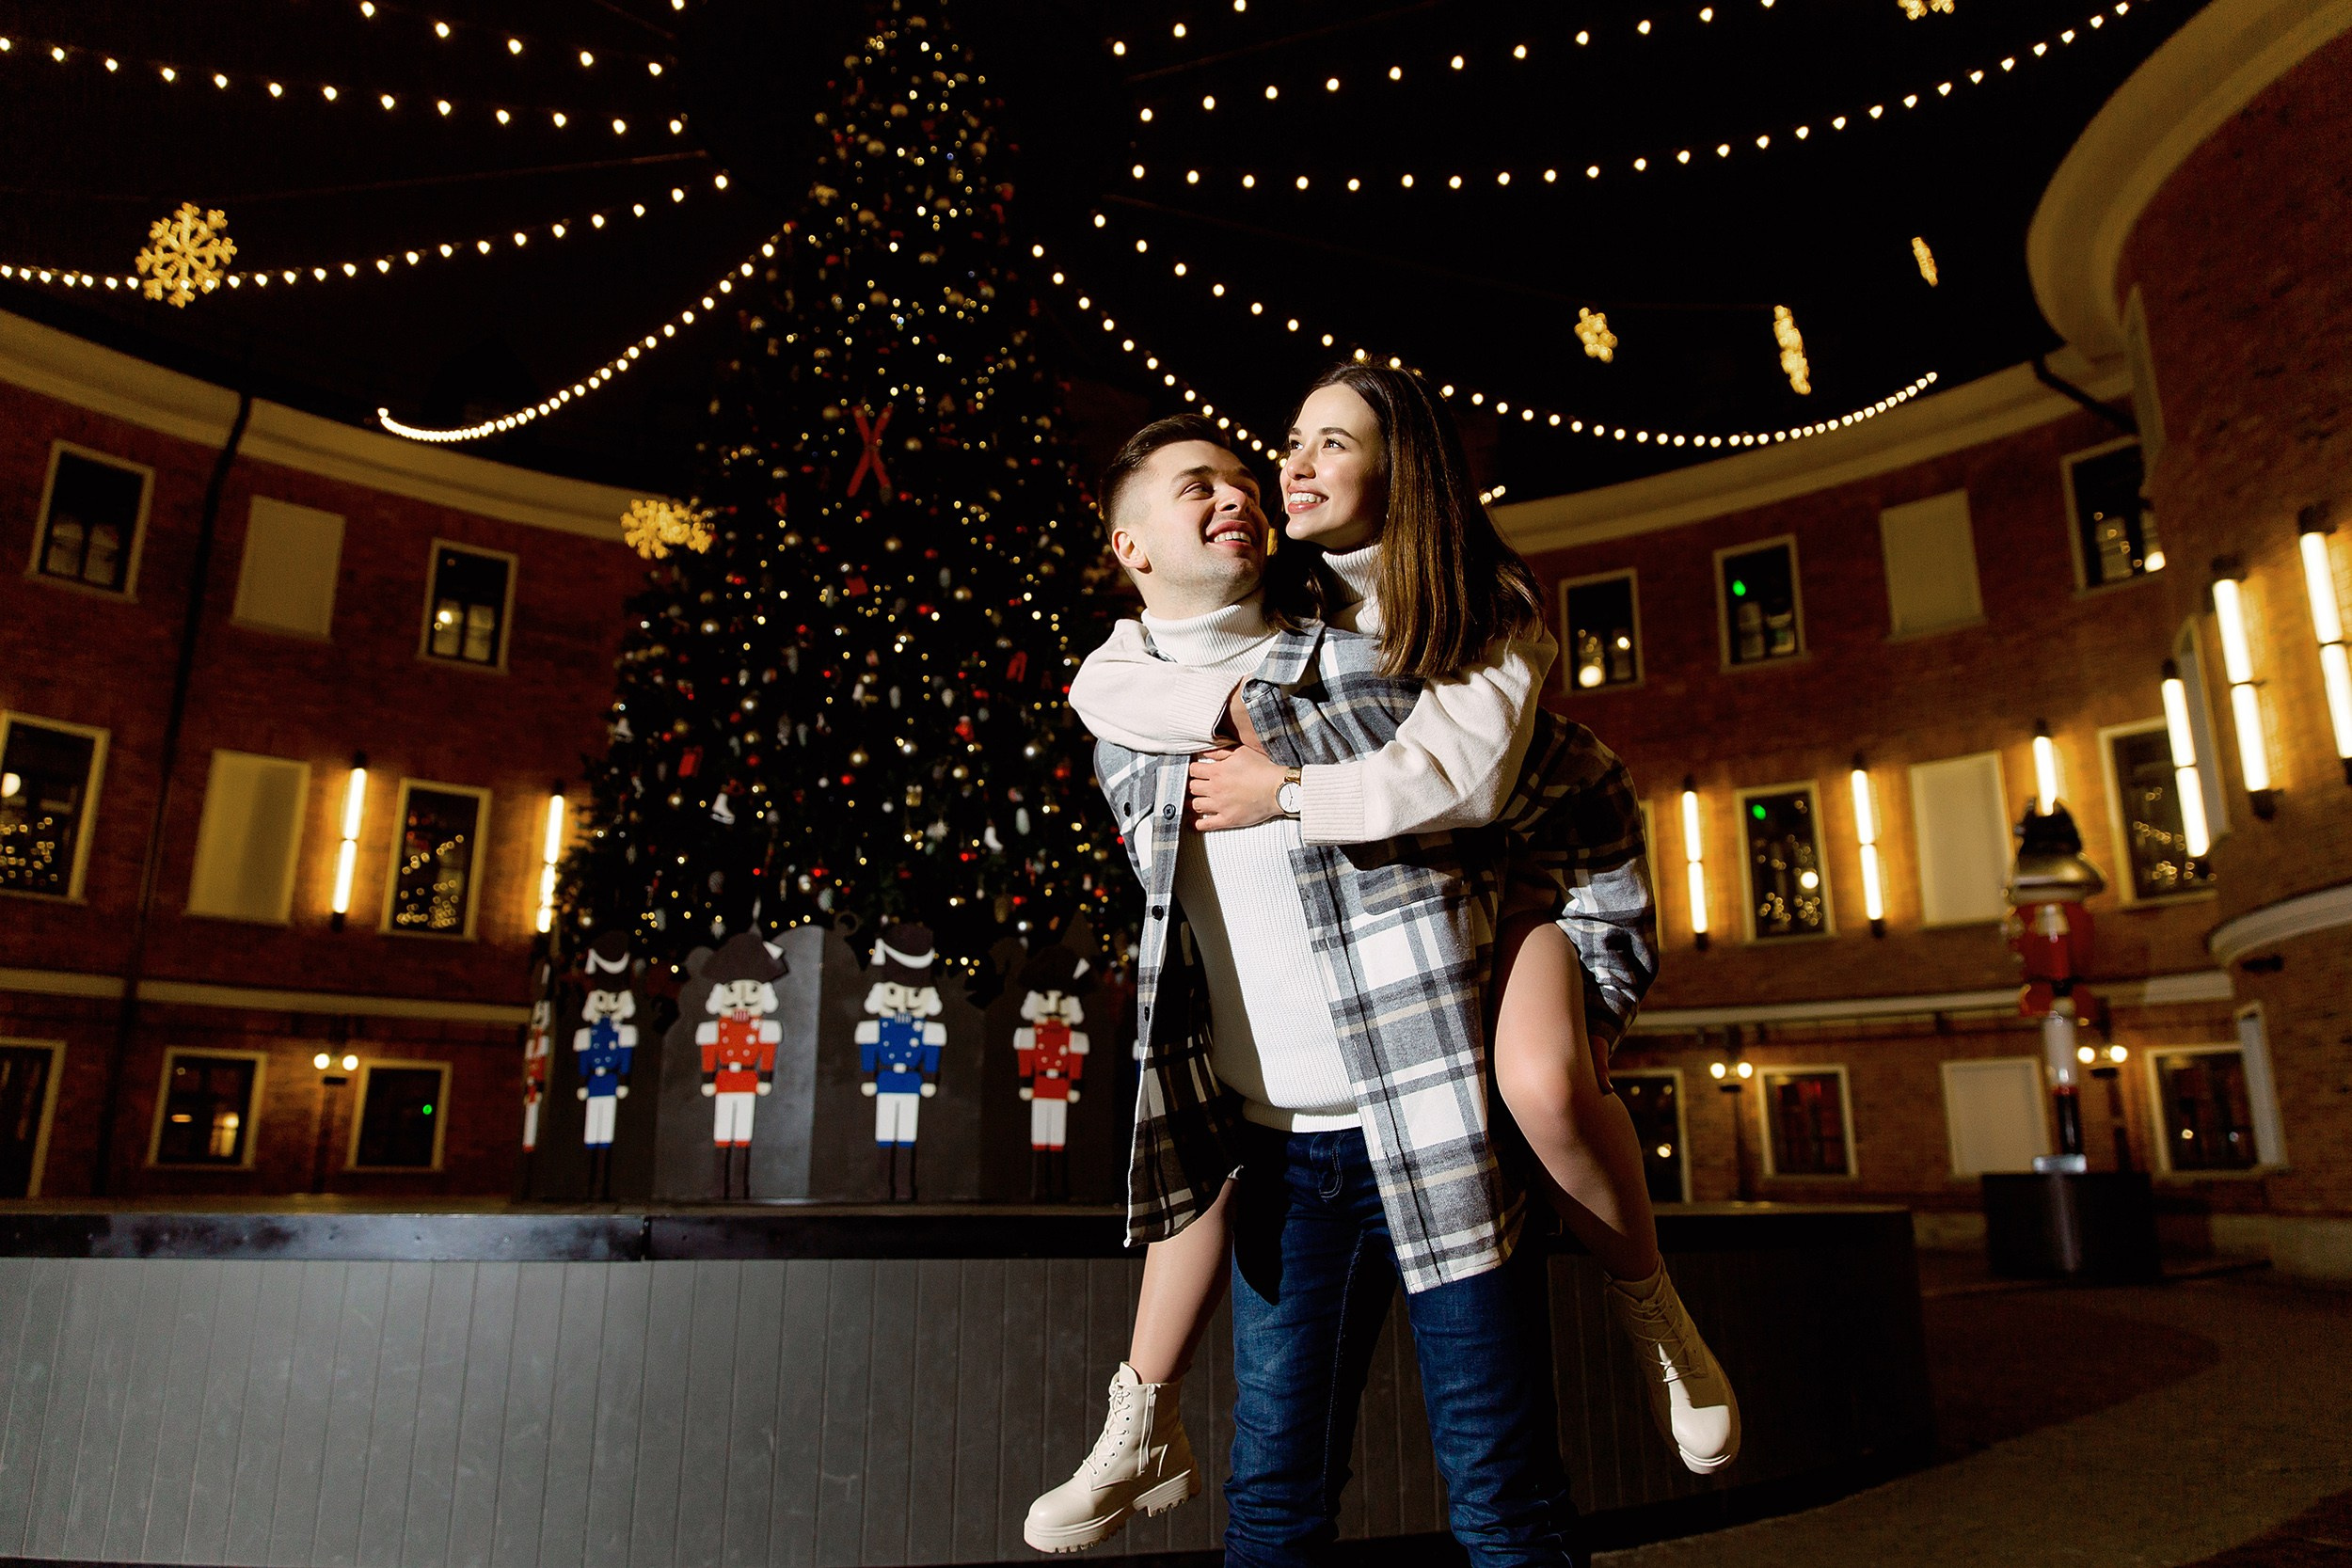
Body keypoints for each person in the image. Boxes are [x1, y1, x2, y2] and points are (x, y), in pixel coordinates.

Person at [1063, 365, 1737, 1509]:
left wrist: (1279, 792)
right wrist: (1208, 711)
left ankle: (1650, 1302)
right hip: (1326, 1084)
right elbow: (1116, 678)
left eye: (1330, 443)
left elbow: (1455, 782)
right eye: (1290, 442)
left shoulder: (1485, 598)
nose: (1285, 469)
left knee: (1540, 1082)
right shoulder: (1297, 608)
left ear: (1402, 465)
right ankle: (1142, 1414)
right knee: (1280, 1469)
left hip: (1547, 865)